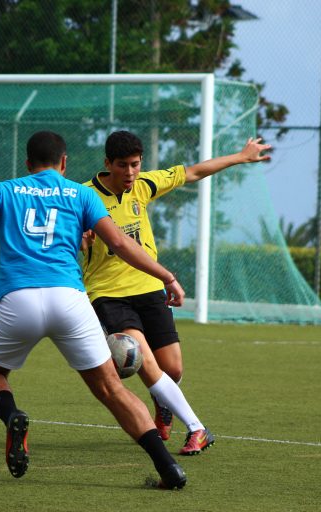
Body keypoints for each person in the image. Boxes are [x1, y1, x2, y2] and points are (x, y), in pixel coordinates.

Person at [0, 131, 188, 489]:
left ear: (27, 164)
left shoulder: (5, 189)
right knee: (113, 389)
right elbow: (118, 242)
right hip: (70, 299)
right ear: (64, 163)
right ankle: (169, 469)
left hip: (17, 299)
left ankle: (12, 415)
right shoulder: (82, 194)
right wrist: (167, 277)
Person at [81, 130, 271, 454]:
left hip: (149, 285)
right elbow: (63, 229)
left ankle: (163, 404)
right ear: (107, 164)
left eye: (135, 165)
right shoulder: (84, 196)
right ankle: (198, 428)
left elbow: (194, 172)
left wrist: (241, 157)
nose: (129, 173)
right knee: (142, 359)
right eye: (122, 165)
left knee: (173, 369)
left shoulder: (143, 185)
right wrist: (78, 235)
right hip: (108, 293)